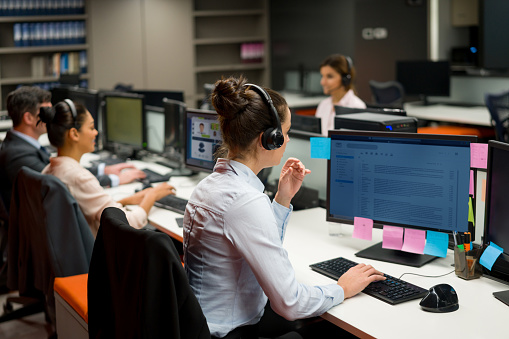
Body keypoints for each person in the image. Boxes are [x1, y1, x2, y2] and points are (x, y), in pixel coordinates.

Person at [183, 76, 385, 338]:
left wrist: (282, 199)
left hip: (203, 325)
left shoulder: (211, 186)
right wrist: (342, 288)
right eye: (286, 133)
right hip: (232, 332)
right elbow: (291, 304)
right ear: (268, 139)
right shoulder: (244, 201)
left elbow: (258, 245)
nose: (288, 140)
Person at [40, 99, 175, 236]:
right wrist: (152, 195)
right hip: (95, 254)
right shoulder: (78, 178)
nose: (96, 133)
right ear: (74, 134)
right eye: (91, 127)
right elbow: (128, 224)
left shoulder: (48, 170)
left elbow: (83, 210)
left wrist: (126, 200)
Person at [0, 86, 145, 212]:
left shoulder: (22, 145)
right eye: (46, 112)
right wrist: (114, 179)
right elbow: (65, 182)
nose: (52, 117)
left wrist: (102, 170)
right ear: (29, 118)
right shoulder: (17, 155)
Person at [315, 54, 366, 135]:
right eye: (322, 76)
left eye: (329, 76)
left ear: (345, 79)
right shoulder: (323, 104)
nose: (322, 82)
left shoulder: (357, 107)